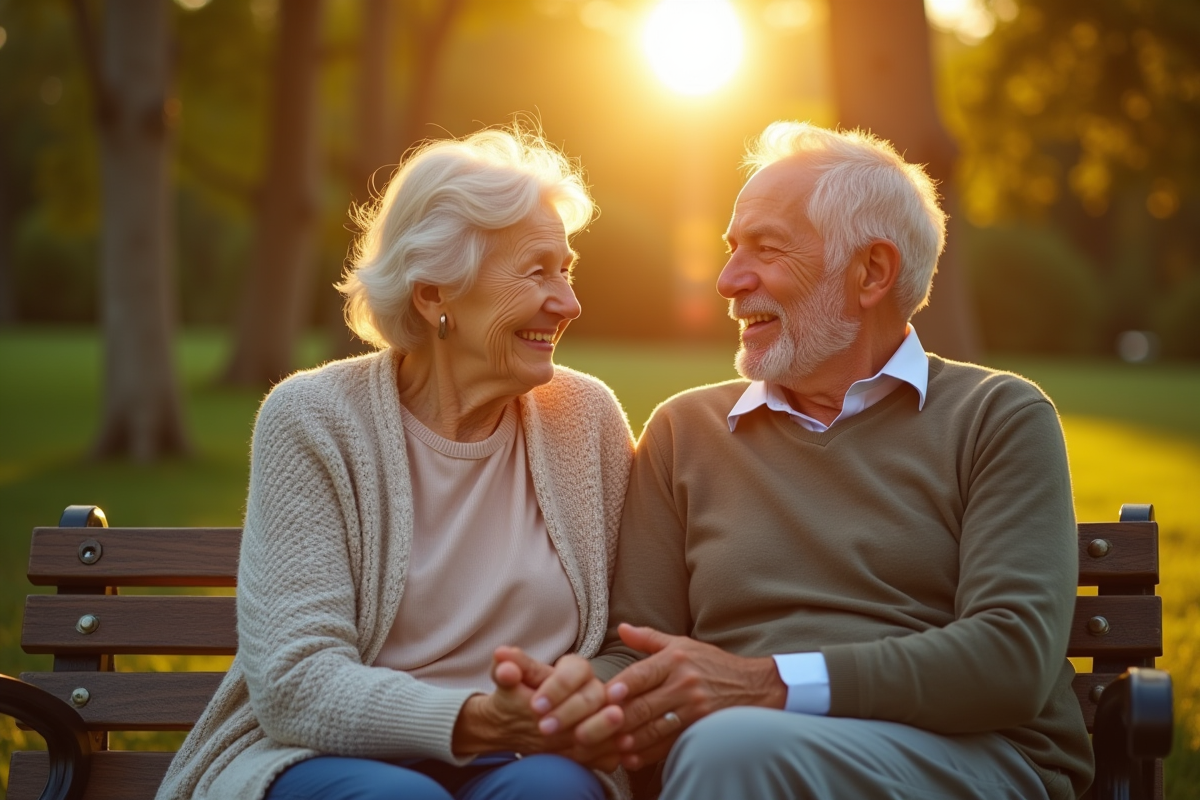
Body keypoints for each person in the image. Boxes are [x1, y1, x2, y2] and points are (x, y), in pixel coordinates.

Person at [519, 122, 1093, 799]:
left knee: (731, 747)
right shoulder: (685, 431)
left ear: (871, 272)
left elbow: (1010, 658)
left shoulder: (996, 417)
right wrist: (575, 699)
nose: (729, 281)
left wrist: (772, 685)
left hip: (971, 760)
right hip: (736, 757)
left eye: (766, 249)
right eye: (732, 250)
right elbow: (638, 650)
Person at [155, 126, 634, 800]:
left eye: (568, 269)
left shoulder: (587, 420)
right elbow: (295, 681)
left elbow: (625, 635)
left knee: (554, 793)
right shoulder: (313, 419)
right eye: (537, 271)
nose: (569, 302)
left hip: (525, 758)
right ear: (434, 293)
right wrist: (472, 721)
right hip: (328, 756)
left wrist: (583, 694)